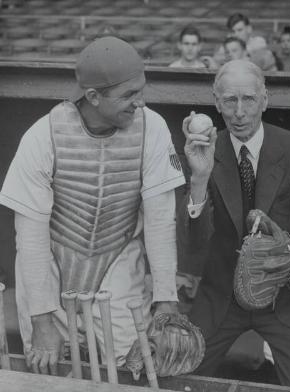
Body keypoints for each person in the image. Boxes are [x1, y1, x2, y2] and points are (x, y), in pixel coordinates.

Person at [0, 37, 185, 373]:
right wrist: (41, 319)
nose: (139, 103)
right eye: (128, 96)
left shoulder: (153, 128)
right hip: (52, 262)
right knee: (46, 369)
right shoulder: (42, 135)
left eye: (141, 90)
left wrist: (166, 299)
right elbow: (30, 237)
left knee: (134, 367)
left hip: (117, 257)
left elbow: (160, 220)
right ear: (93, 96)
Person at [180, 59, 290, 388]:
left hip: (286, 296)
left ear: (265, 99)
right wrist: (199, 179)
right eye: (230, 100)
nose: (239, 112)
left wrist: (284, 263)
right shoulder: (205, 151)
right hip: (222, 295)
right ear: (216, 102)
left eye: (248, 99)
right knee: (183, 380)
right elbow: (193, 245)